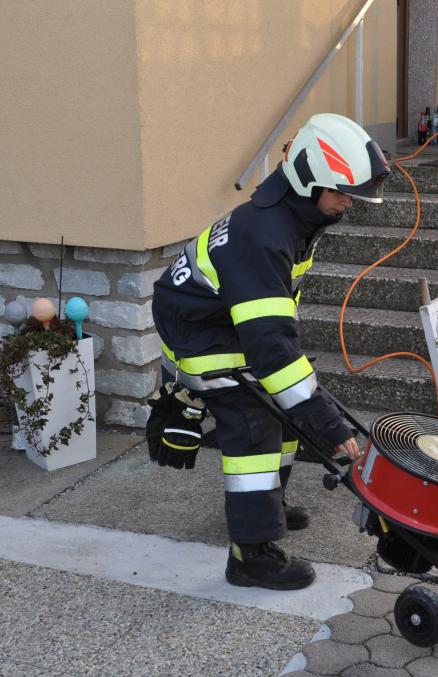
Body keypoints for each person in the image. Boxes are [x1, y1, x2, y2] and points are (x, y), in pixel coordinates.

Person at [150, 113, 389, 591]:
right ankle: (251, 555)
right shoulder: (263, 235)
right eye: (342, 192)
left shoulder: (289, 219)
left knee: (285, 413)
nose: (348, 203)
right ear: (308, 181)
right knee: (255, 427)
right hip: (203, 340)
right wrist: (327, 422)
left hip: (229, 327)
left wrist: (307, 406)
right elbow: (271, 349)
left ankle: (266, 506)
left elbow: (271, 327)